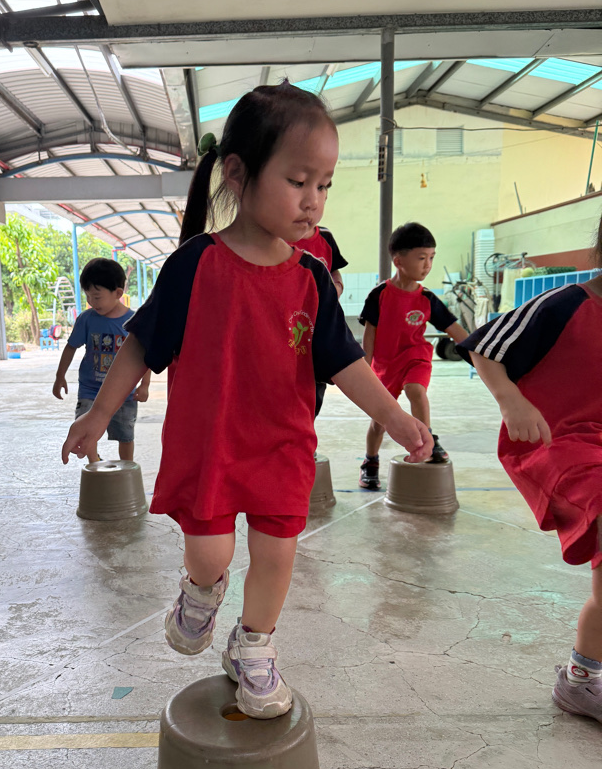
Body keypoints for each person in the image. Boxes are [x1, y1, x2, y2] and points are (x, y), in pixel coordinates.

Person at [62, 82, 433, 719]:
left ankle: (253, 645)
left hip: (282, 444)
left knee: (277, 553)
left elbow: (344, 360)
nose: (313, 200)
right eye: (298, 181)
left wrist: (394, 416)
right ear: (237, 173)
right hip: (210, 444)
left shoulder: (312, 278)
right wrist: (98, 413)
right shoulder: (194, 264)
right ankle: (200, 592)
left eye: (325, 185)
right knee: (212, 555)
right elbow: (141, 342)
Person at [459, 222, 602, 721]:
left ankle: (585, 671)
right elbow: (482, 346)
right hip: (556, 441)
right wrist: (511, 401)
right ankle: (582, 677)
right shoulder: (566, 303)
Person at [357, 222, 468, 490]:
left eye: (431, 258)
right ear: (398, 261)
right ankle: (371, 461)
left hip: (415, 357)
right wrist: (365, 369)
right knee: (379, 422)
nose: (428, 265)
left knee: (415, 390)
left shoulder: (428, 299)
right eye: (421, 258)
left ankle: (427, 439)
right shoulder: (379, 295)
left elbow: (457, 332)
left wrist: (482, 353)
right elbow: (369, 336)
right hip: (385, 366)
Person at [52, 256, 150, 462]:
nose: (91, 302)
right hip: (90, 389)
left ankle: (127, 466)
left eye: (97, 297)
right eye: (88, 296)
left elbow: (144, 355)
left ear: (118, 293)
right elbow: (70, 347)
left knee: (125, 434)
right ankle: (95, 464)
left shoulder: (134, 321)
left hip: (124, 392)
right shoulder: (87, 319)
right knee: (85, 428)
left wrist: (144, 385)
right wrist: (59, 376)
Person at [295, 224, 348, 417]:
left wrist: (336, 287)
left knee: (315, 391)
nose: (309, 208)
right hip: (291, 326)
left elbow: (334, 271)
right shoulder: (277, 235)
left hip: (318, 326)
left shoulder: (325, 236)